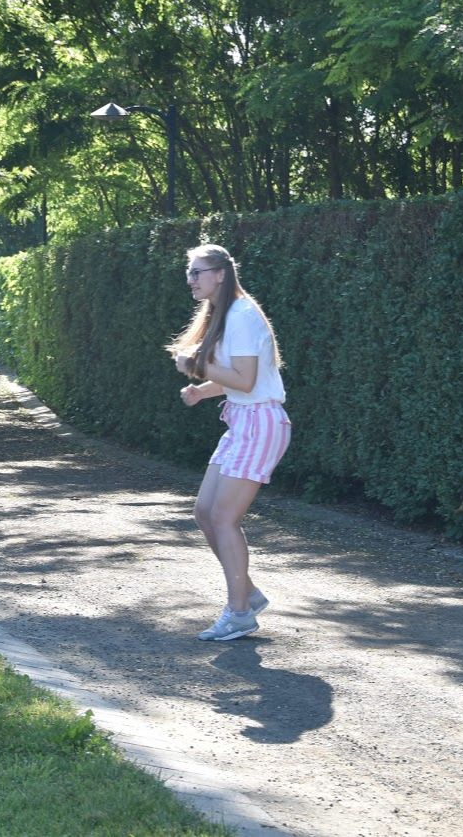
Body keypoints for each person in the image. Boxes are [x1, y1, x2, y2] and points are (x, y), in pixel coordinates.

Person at [167, 244, 290, 642]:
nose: (191, 280)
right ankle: (247, 594)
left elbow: (247, 381)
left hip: (260, 424)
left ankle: (239, 613)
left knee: (223, 519)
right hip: (242, 422)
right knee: (205, 513)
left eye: (197, 272)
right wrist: (202, 391)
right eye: (189, 272)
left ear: (220, 274)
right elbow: (235, 378)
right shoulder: (225, 314)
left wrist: (195, 365)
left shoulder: (241, 315)